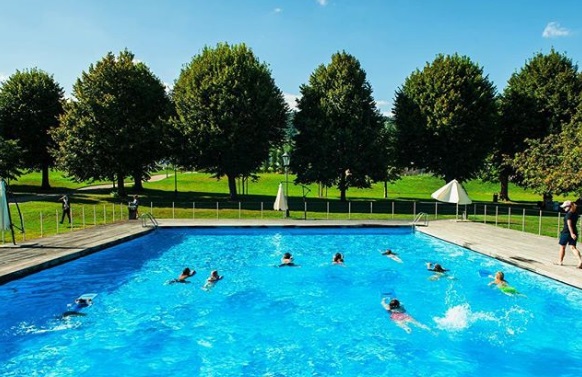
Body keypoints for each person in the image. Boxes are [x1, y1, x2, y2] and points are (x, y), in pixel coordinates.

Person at [557, 201, 582, 268]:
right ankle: (580, 260)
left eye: (565, 207)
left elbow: (569, 224)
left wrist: (571, 233)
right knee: (573, 247)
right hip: (574, 231)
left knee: (562, 247)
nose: (563, 208)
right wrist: (573, 233)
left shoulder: (569, 214)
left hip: (566, 232)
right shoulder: (575, 213)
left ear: (569, 207)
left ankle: (560, 261)